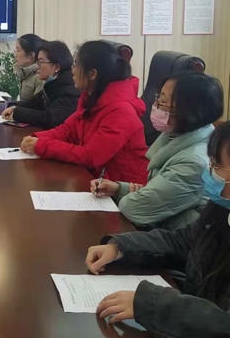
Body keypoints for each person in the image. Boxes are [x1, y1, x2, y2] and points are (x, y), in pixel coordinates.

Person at [85, 122, 230, 338]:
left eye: (217, 166)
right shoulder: (221, 207)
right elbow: (182, 241)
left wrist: (150, 304)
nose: (209, 172)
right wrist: (121, 248)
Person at [91, 71, 224, 230]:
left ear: (189, 111)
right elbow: (159, 191)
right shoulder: (183, 132)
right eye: (159, 97)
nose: (156, 105)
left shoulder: (194, 163)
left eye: (164, 102)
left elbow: (134, 208)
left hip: (181, 240)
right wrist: (119, 189)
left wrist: (132, 195)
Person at [20, 41, 148, 184]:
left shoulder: (121, 111)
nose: (72, 71)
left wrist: (42, 146)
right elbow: (67, 130)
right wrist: (35, 138)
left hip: (123, 189)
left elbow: (91, 156)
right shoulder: (92, 100)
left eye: (76, 65)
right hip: (95, 179)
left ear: (92, 74)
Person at [2, 40, 80, 129]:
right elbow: (33, 103)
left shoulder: (70, 89)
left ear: (56, 67)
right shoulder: (52, 85)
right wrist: (13, 107)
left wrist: (17, 113)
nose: (37, 66)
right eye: (37, 62)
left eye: (41, 62)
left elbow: (49, 118)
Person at [13, 34, 45, 101]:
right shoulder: (24, 73)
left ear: (30, 56)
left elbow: (36, 105)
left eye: (18, 50)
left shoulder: (40, 78)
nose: (15, 55)